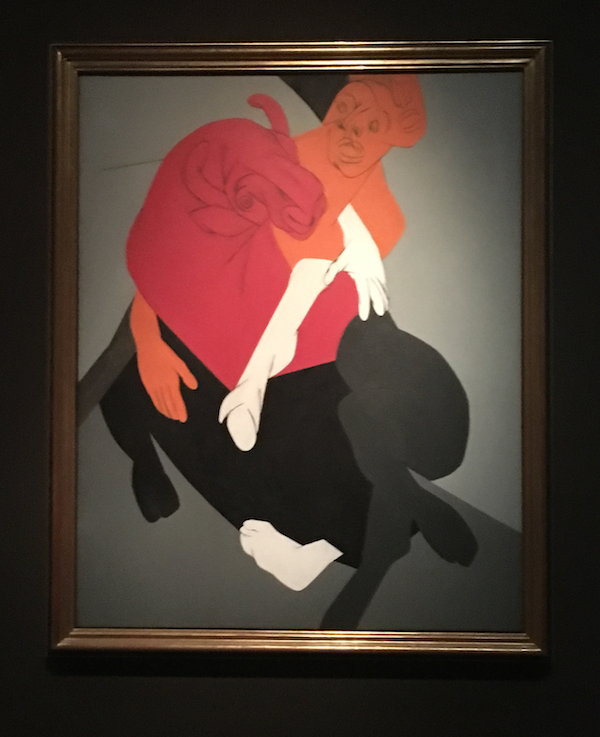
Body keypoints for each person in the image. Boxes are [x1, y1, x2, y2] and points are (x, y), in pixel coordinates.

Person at [100, 75, 477, 622]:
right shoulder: (269, 157)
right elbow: (177, 250)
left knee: (331, 465)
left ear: (396, 136)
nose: (350, 134)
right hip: (222, 333)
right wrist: (150, 339)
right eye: (347, 111)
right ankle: (146, 463)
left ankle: (372, 521)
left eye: (372, 126)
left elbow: (319, 304)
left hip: (308, 357)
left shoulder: (380, 217)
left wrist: (262, 381)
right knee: (151, 392)